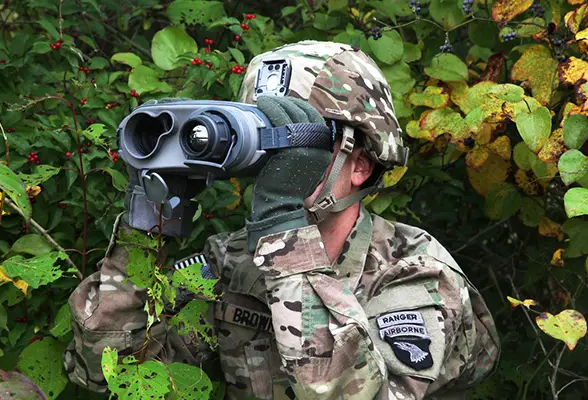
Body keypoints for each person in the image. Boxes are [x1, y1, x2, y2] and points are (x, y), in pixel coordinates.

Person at [64, 41, 500, 399]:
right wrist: (147, 225)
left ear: (361, 165)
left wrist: (281, 226)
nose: (276, 160)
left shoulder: (415, 274)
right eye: (266, 135)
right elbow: (111, 377)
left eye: (298, 140)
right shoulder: (232, 265)